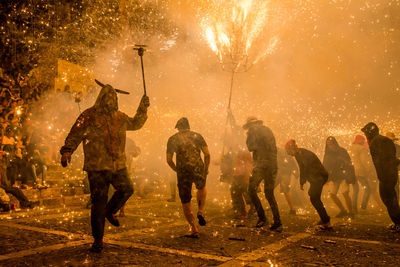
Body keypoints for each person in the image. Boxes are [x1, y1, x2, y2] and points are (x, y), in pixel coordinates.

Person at [60, 80, 149, 252]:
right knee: (98, 204)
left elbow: (136, 123)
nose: (110, 99)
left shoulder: (120, 116)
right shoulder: (88, 115)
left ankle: (110, 211)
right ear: (101, 98)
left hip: (117, 165)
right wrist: (67, 151)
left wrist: (143, 107)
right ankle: (98, 239)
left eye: (113, 96)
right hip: (97, 167)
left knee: (127, 189)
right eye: (107, 96)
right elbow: (75, 133)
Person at [166, 117, 210, 238]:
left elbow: (168, 160)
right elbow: (207, 154)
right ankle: (200, 211)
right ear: (188, 126)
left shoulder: (173, 139)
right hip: (198, 168)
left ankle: (194, 229)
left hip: (182, 170)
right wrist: (205, 169)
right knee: (201, 187)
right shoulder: (197, 136)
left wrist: (177, 170)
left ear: (178, 128)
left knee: (185, 200)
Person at [243, 116, 282, 232]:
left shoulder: (253, 131)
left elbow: (251, 147)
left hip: (261, 165)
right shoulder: (267, 129)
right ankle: (278, 222)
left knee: (251, 189)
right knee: (269, 193)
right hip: (272, 164)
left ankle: (262, 218)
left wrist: (248, 136)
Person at [285, 140, 332, 230]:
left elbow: (304, 167)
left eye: (287, 150)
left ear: (291, 149)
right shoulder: (299, 153)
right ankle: (324, 218)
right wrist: (302, 182)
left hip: (318, 177)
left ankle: (327, 222)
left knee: (314, 198)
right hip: (317, 177)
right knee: (313, 197)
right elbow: (302, 167)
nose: (287, 153)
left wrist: (302, 181)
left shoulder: (301, 154)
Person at [362, 122, 400, 231]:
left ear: (370, 132)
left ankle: (398, 222)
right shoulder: (380, 140)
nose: (365, 135)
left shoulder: (377, 141)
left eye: (366, 133)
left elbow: (383, 161)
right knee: (389, 198)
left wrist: (383, 174)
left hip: (386, 175)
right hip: (388, 174)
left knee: (388, 198)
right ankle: (397, 221)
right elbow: (389, 158)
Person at [323, 136, 356, 217]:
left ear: (335, 143)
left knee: (345, 193)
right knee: (332, 194)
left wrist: (350, 174)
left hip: (343, 175)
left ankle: (350, 212)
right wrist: (325, 177)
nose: (330, 145)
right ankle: (343, 210)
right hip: (334, 177)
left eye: (331, 143)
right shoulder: (327, 153)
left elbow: (349, 162)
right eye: (328, 144)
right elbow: (325, 165)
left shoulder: (342, 151)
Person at [349, 135, 376, 210]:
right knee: (367, 189)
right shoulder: (362, 149)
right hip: (360, 171)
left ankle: (354, 208)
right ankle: (363, 207)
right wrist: (369, 170)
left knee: (355, 190)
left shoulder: (351, 148)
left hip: (352, 171)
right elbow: (364, 161)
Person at [276, 147, 298, 215]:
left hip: (284, 173)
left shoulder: (284, 152)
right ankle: (292, 208)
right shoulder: (275, 152)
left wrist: (295, 172)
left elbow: (291, 162)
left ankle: (292, 208)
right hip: (279, 173)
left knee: (286, 190)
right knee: (285, 190)